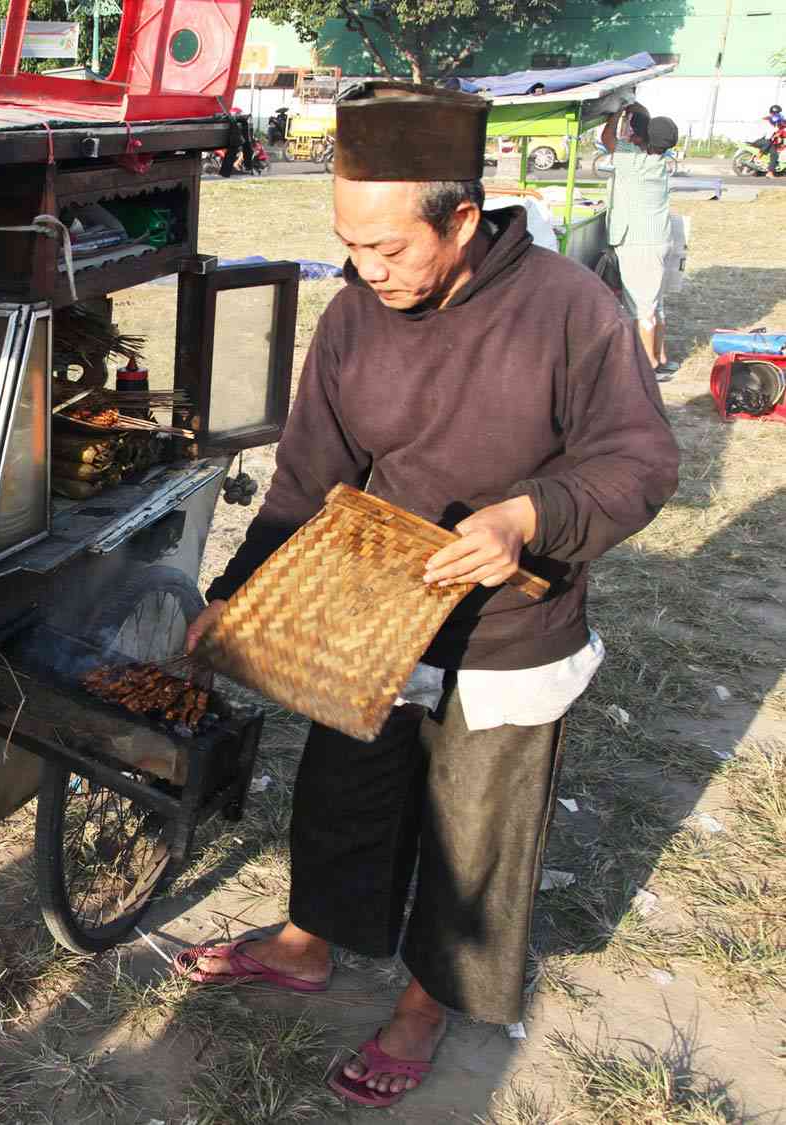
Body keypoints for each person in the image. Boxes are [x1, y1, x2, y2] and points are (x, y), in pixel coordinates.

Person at [174, 81, 679, 1109]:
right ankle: (311, 942)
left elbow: (639, 460)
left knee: (473, 832)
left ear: (461, 216)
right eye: (350, 248)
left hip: (509, 623)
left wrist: (527, 517)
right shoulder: (358, 316)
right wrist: (233, 592)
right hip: (373, 606)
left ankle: (424, 1005)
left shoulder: (571, 310)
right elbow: (309, 477)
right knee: (343, 787)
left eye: (389, 248)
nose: (367, 273)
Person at [602, 103, 679, 378]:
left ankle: (649, 367)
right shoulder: (657, 163)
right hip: (657, 239)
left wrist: (616, 113)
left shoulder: (633, 162)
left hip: (639, 242)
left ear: (644, 138)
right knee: (655, 303)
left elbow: (607, 140)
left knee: (642, 307)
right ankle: (661, 356)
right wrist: (638, 111)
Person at [758, 104, 785, 176]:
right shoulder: (769, 119)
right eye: (775, 113)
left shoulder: (774, 119)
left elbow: (782, 125)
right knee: (774, 154)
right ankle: (770, 172)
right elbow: (771, 133)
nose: (776, 114)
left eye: (777, 113)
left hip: (764, 139)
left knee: (779, 146)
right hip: (762, 139)